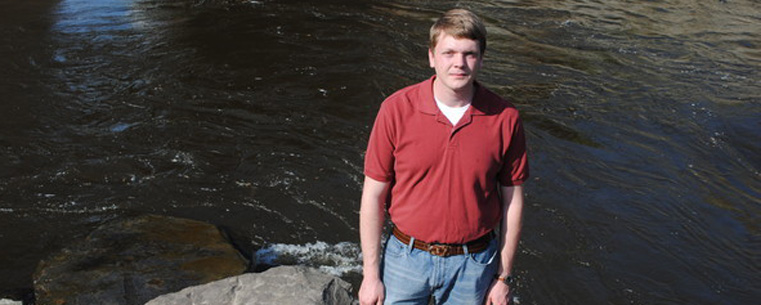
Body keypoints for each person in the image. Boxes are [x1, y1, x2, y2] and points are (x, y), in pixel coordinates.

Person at [358, 8, 530, 305]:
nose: (459, 64)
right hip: (405, 259)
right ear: (431, 57)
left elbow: (512, 201)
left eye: (469, 54)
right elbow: (373, 196)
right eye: (448, 52)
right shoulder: (396, 109)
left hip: (474, 264)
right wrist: (371, 275)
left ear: (481, 58)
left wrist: (503, 277)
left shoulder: (505, 118)